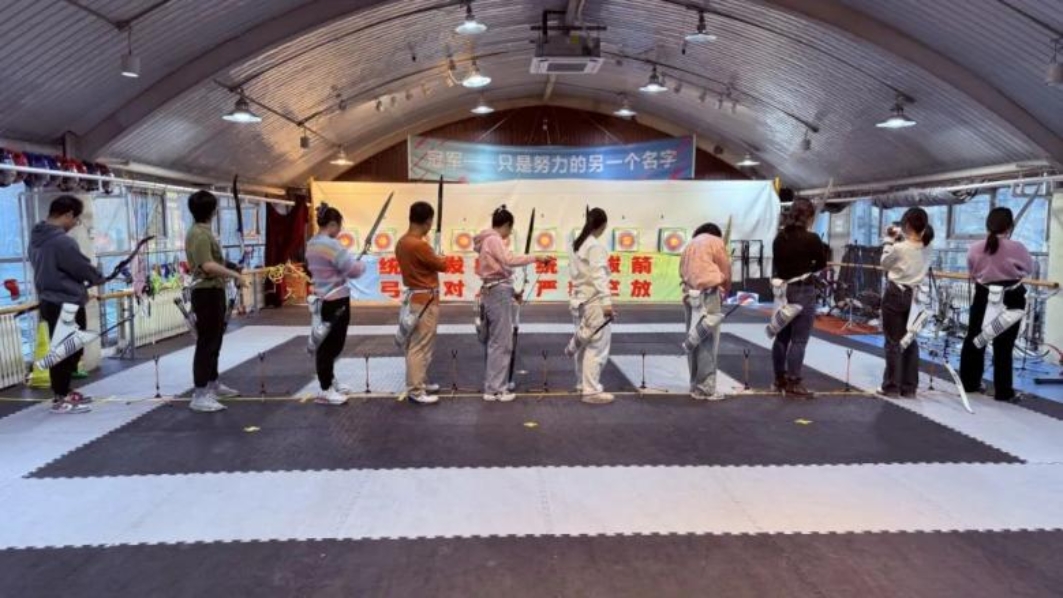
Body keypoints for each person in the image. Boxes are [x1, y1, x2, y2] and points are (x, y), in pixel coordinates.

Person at [28, 195, 107, 414]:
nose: (75, 224)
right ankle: (60, 398)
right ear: (69, 214)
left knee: (68, 349)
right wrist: (97, 278)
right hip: (66, 303)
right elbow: (80, 267)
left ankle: (63, 391)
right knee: (66, 352)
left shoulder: (36, 238)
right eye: (76, 220)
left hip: (50, 301)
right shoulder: (62, 241)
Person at [474, 205, 555, 402]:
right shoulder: (494, 239)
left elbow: (501, 266)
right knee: (502, 343)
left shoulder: (486, 239)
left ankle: (493, 386)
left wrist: (512, 292)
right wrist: (536, 257)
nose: (509, 233)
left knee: (497, 341)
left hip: (495, 291)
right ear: (507, 225)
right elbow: (509, 260)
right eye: (510, 229)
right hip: (497, 292)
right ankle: (496, 389)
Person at [959, 207, 1034, 403]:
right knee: (1004, 344)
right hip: (1011, 296)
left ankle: (969, 384)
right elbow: (1029, 268)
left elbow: (972, 273)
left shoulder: (974, 248)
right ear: (1010, 226)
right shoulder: (1017, 247)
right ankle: (1003, 391)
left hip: (983, 294)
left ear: (988, 225)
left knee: (975, 338)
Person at [185, 190, 244, 413]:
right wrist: (235, 275)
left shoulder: (204, 232)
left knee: (214, 342)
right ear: (212, 210)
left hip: (214, 291)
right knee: (207, 343)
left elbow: (214, 260)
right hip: (206, 293)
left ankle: (212, 383)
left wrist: (232, 267)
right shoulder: (199, 234)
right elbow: (208, 266)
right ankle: (200, 394)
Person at [306, 204, 366, 406]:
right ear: (332, 224)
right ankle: (325, 389)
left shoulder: (312, 243)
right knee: (331, 345)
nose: (340, 230)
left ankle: (329, 381)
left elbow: (333, 268)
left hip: (324, 299)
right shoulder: (331, 245)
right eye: (339, 226)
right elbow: (353, 270)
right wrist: (360, 264)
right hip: (335, 300)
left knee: (328, 344)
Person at [771, 198, 829, 398]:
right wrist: (807, 267)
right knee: (799, 340)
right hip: (803, 291)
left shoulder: (780, 238)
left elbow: (778, 264)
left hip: (783, 290)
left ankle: (779, 379)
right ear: (809, 217)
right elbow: (821, 264)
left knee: (781, 337)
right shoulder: (812, 239)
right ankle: (794, 381)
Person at [395, 201, 448, 405]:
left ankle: (420, 382)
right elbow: (442, 265)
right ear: (427, 221)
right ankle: (416, 389)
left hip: (414, 299)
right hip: (425, 300)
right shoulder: (419, 245)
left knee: (416, 343)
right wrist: (440, 255)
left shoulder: (402, 242)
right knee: (420, 345)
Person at [878, 208, 934, 398]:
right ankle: (909, 388)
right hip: (916, 297)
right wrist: (900, 236)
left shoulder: (900, 248)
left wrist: (888, 241)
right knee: (909, 341)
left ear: (907, 224)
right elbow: (915, 242)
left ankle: (891, 386)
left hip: (896, 294)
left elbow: (884, 263)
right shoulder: (928, 247)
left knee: (893, 341)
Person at [680, 222, 732, 400]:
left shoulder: (690, 244)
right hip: (708, 295)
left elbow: (681, 271)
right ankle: (706, 387)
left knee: (693, 337)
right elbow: (726, 270)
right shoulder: (716, 242)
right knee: (707, 339)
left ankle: (695, 384)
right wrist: (726, 291)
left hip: (690, 295)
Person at [569, 207, 614, 404]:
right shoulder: (594, 246)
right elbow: (598, 276)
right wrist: (607, 302)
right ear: (603, 225)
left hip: (579, 300)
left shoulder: (577, 244)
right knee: (597, 345)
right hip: (593, 301)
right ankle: (591, 390)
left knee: (584, 343)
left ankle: (582, 383)